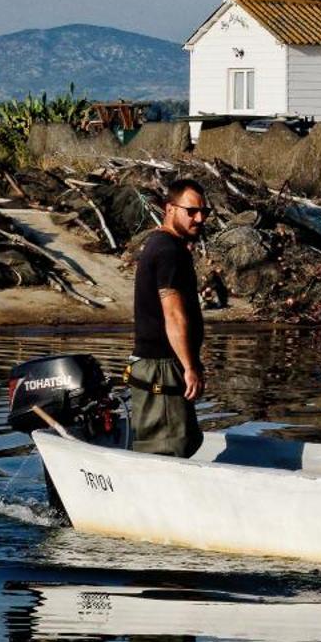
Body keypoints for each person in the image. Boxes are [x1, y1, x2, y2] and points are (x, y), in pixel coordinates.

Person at [129, 178, 209, 457]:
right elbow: (173, 313)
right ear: (170, 209)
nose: (199, 218)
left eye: (204, 212)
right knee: (166, 449)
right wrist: (189, 366)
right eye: (191, 211)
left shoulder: (169, 248)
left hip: (165, 364)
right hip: (160, 366)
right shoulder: (167, 251)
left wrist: (191, 362)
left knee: (183, 442)